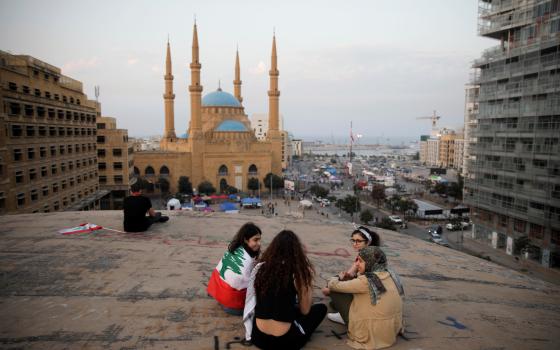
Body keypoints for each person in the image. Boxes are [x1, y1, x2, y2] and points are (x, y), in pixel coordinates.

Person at [244, 230, 326, 349]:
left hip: (258, 337)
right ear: (296, 251)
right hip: (285, 342)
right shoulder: (297, 273)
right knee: (321, 309)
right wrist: (307, 284)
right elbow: (305, 310)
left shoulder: (260, 268)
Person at [325, 246, 404, 349]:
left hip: (370, 333)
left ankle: (345, 319)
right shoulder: (391, 274)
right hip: (389, 331)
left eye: (361, 261)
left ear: (370, 262)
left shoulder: (366, 281)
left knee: (334, 291)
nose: (357, 264)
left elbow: (332, 284)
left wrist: (338, 277)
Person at [207, 223, 262, 316]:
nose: (259, 243)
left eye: (260, 239)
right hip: (232, 306)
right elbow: (253, 288)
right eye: (256, 240)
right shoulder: (247, 263)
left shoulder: (235, 249)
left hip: (218, 294)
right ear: (245, 239)